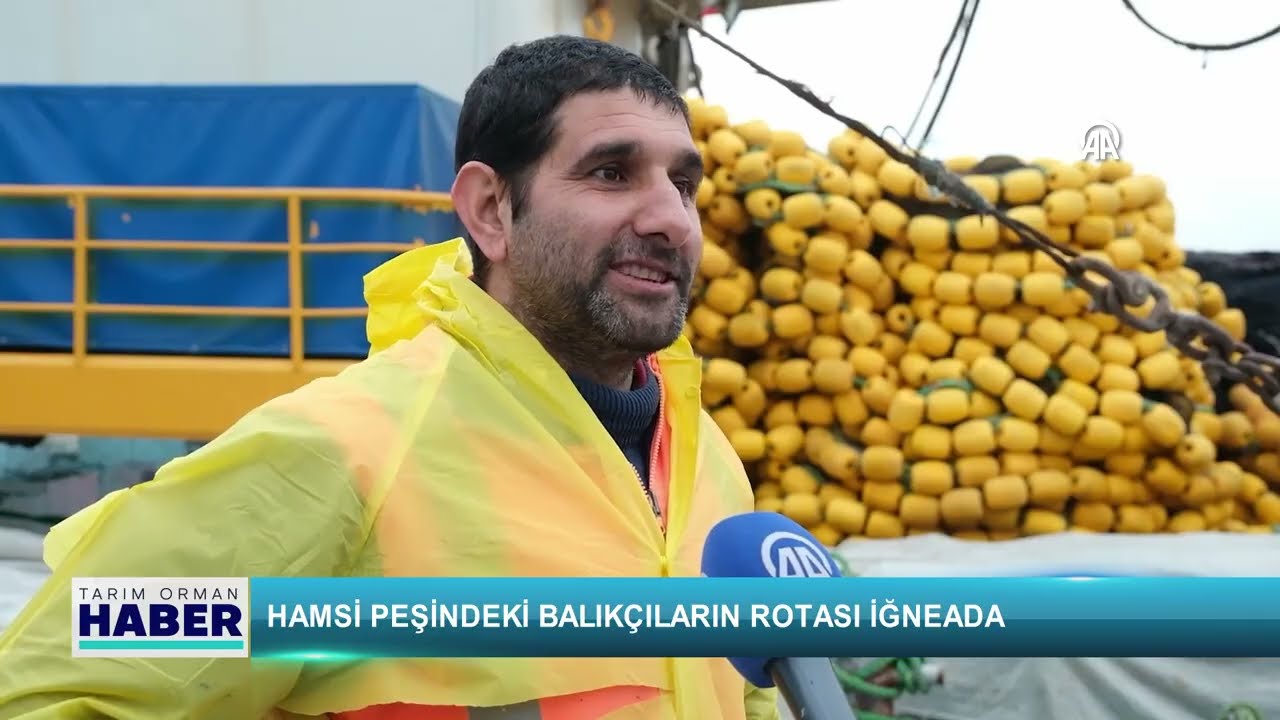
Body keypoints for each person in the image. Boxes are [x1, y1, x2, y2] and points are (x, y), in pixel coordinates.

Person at [0, 35, 783, 720]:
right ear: (490, 210)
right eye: (611, 173)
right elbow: (53, 690)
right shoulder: (339, 454)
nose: (672, 219)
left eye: (684, 185)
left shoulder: (708, 461)